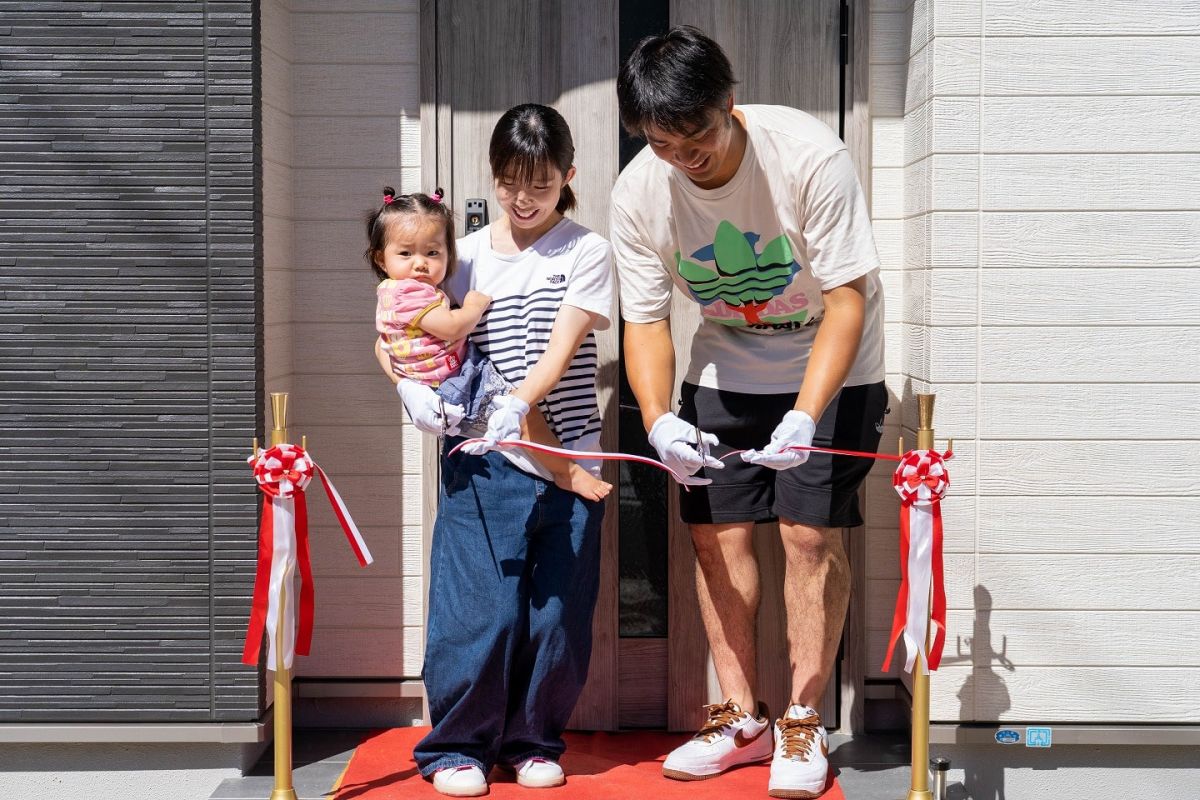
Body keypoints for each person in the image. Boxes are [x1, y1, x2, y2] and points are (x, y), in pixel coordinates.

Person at [611, 26, 887, 799]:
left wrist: (804, 415)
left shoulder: (807, 156)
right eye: (662, 142)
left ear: (729, 105)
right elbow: (647, 320)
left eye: (694, 136)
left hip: (832, 367)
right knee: (713, 537)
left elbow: (844, 301)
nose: (681, 157)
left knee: (806, 536)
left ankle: (803, 720)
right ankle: (740, 717)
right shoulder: (641, 190)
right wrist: (658, 418)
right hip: (725, 362)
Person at [392, 103, 615, 797]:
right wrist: (407, 388)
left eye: (540, 184)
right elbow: (402, 326)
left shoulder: (586, 251)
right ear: (494, 176)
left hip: (570, 456)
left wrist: (522, 404)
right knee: (478, 610)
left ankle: (533, 740)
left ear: (568, 177)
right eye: (510, 182)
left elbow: (561, 350)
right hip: (483, 460)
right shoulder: (466, 255)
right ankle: (456, 747)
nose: (523, 199)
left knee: (555, 614)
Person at [369, 187, 610, 501]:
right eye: (406, 253)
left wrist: (405, 384)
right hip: (453, 380)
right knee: (520, 413)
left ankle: (563, 468)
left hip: (440, 378)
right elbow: (452, 326)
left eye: (433, 252)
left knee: (517, 412)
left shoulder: (398, 291)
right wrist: (473, 307)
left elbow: (382, 345)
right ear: (381, 258)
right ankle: (568, 472)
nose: (421, 264)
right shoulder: (409, 293)